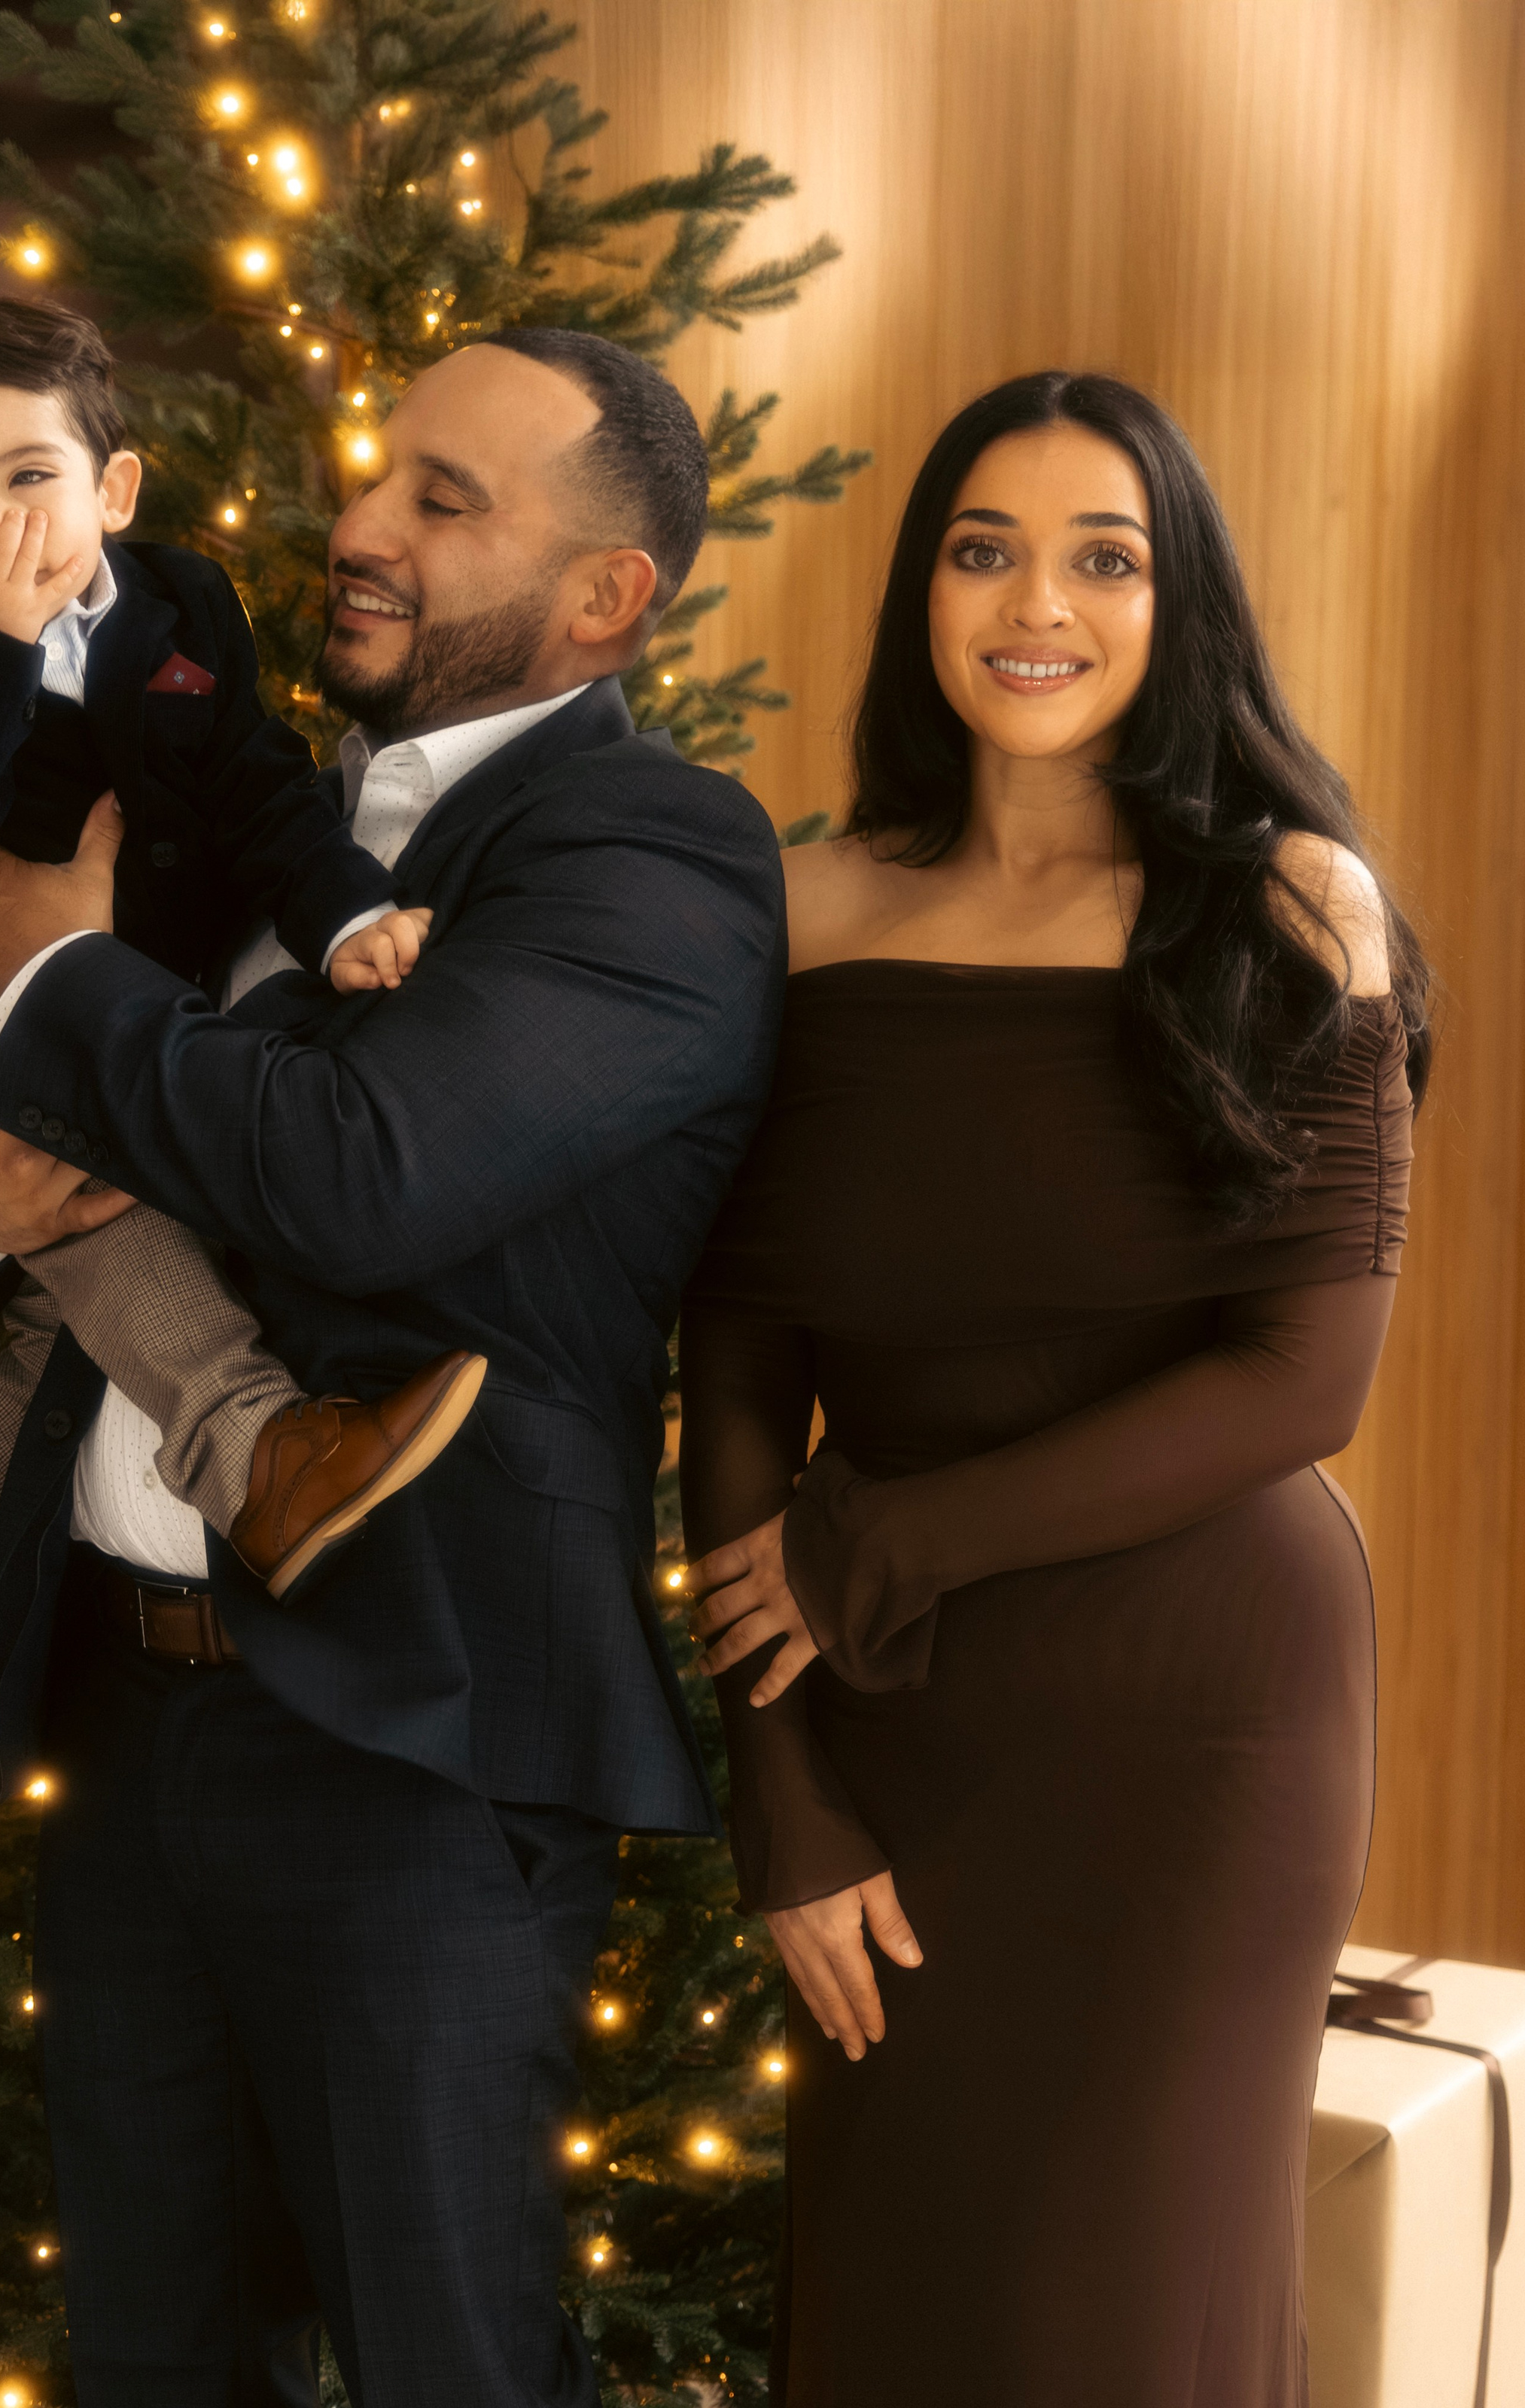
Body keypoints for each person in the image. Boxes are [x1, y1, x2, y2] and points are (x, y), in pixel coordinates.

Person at [0, 328, 787, 2404]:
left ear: (607, 599)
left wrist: (53, 970)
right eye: (379, 475)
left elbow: (367, 1182)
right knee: (153, 2370)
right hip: (123, 1718)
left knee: (446, 2370)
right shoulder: (227, 802)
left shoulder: (650, 857)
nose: (354, 527)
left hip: (414, 1752)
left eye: (442, 502)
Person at [679, 369, 1426, 2407]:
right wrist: (787, 1792)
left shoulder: (1287, 902)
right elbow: (736, 1352)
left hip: (1200, 1719)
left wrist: (885, 1543)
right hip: (895, 1712)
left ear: (1181, 605)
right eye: (986, 547)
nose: (1042, 603)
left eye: (1110, 557)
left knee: (1113, 2316)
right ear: (926, 588)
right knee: (907, 2303)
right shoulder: (801, 912)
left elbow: (1305, 1380)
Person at [0, 292, 483, 1761]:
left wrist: (346, 913)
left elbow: (258, 786)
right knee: (109, 1244)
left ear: (113, 488)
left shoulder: (184, 609)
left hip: (132, 1027)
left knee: (79, 1317)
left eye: (29, 477)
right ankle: (264, 1449)